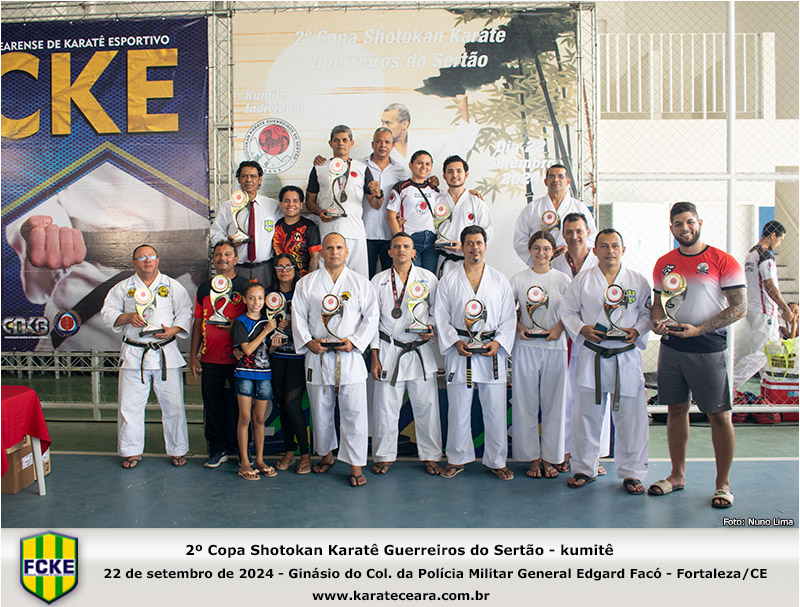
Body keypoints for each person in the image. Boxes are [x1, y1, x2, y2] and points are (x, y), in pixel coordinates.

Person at [6, 162, 209, 351]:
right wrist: (49, 231)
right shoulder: (75, 144)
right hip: (90, 311)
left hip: (188, 305)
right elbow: (37, 181)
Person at [649, 202, 746, 508]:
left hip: (707, 348)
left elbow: (739, 307)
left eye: (689, 222)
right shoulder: (664, 264)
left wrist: (700, 330)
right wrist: (657, 322)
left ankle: (723, 485)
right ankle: (677, 475)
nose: (685, 228)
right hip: (672, 347)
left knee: (718, 415)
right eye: (678, 224)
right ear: (671, 228)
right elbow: (657, 304)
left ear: (699, 223)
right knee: (676, 409)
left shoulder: (723, 261)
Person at [560, 229, 652, 494]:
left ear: (623, 250)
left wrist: (638, 330)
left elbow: (647, 313)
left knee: (631, 417)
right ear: (595, 250)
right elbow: (567, 310)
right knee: (586, 415)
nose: (610, 250)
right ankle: (584, 468)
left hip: (626, 356)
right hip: (594, 354)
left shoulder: (638, 280)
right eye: (604, 246)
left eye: (614, 246)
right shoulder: (583, 280)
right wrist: (582, 329)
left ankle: (632, 473)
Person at [291, 232, 379, 487]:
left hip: (349, 356)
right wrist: (308, 341)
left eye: (339, 247)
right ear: (322, 252)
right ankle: (326, 455)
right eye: (329, 248)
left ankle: (356, 464)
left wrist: (356, 342)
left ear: (346, 251)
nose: (334, 252)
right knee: (320, 411)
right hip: (317, 355)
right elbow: (298, 315)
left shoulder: (360, 283)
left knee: (355, 412)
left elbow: (372, 317)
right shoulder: (306, 283)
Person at [434, 225, 515, 480]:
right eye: (469, 243)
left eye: (478, 243)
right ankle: (457, 458)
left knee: (495, 410)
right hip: (461, 349)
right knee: (458, 408)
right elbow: (441, 316)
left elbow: (509, 317)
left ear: (485, 246)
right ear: (462, 247)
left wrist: (499, 343)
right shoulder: (449, 279)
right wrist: (454, 342)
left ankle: (497, 460)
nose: (474, 248)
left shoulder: (499, 279)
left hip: (491, 351)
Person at [100, 244, 192, 469]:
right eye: (142, 257)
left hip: (165, 353)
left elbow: (185, 310)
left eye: (151, 256)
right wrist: (127, 317)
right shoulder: (124, 287)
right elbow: (107, 312)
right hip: (134, 353)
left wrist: (174, 330)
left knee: (173, 405)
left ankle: (178, 449)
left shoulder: (171, 285)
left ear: (158, 260)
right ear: (134, 262)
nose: (147, 260)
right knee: (129, 406)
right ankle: (131, 451)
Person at [370, 232, 443, 475]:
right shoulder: (378, 280)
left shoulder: (428, 278)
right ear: (389, 252)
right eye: (397, 246)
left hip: (419, 349)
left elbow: (437, 311)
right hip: (389, 349)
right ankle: (383, 456)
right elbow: (372, 322)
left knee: (427, 406)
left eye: (406, 246)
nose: (401, 250)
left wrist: (430, 327)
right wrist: (374, 355)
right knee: (385, 407)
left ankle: (431, 455)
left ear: (414, 252)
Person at [511, 231, 571, 478]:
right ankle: (532, 458)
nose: (541, 253)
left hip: (555, 346)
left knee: (555, 405)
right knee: (524, 403)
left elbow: (572, 312)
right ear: (530, 250)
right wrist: (520, 327)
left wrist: (559, 328)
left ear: (553, 251)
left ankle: (550, 458)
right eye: (536, 248)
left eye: (546, 248)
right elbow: (507, 311)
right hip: (526, 347)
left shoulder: (563, 280)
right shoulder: (519, 279)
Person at [551, 212, 606, 474]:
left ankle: (594, 456)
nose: (574, 236)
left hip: (595, 338)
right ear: (563, 234)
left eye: (579, 231)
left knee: (595, 397)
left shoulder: (601, 262)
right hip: (565, 336)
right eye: (569, 232)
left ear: (588, 233)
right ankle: (563, 451)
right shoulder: (555, 263)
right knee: (566, 397)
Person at [189, 240, 249, 468]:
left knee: (242, 407)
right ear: (213, 259)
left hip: (239, 358)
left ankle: (244, 451)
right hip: (210, 357)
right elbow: (198, 322)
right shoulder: (204, 289)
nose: (222, 258)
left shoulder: (245, 286)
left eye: (227, 254)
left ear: (236, 259)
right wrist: (193, 355)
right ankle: (217, 450)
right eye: (218, 254)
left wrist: (236, 326)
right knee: (212, 406)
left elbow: (254, 319)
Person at [305, 125, 381, 278]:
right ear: (330, 143)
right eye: (336, 140)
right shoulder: (320, 168)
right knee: (327, 279)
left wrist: (378, 195)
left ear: (351, 143)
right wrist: (319, 211)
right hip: (328, 232)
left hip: (355, 233)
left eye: (345, 140)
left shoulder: (362, 169)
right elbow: (309, 202)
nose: (341, 143)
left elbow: (375, 205)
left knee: (358, 279)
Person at [733, 220, 797, 388]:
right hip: (763, 311)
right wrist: (784, 308)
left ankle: (767, 390)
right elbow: (769, 284)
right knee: (764, 353)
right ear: (773, 235)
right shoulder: (765, 255)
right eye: (780, 239)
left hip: (756, 309)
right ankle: (728, 385)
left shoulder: (751, 253)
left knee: (765, 355)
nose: (779, 244)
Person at [268, 254, 312, 475]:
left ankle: (305, 455)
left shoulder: (304, 292)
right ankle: (288, 452)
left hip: (298, 358)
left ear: (296, 269)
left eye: (288, 266)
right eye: (279, 267)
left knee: (292, 406)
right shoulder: (268, 295)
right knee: (282, 406)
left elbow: (314, 322)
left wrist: (291, 324)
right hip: (276, 357)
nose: (284, 270)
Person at [231, 282, 278, 481]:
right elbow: (247, 350)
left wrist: (274, 344)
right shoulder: (240, 322)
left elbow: (267, 352)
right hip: (244, 374)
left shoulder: (269, 321)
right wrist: (266, 331)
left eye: (259, 298)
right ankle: (244, 462)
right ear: (244, 300)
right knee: (245, 418)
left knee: (260, 419)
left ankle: (259, 460)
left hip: (264, 375)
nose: (256, 302)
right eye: (251, 298)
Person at [210, 161, 280, 288]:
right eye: (244, 176)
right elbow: (215, 233)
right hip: (237, 268)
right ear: (239, 179)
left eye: (253, 176)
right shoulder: (228, 206)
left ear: (259, 179)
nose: (248, 180)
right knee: (236, 298)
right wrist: (227, 243)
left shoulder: (273, 205)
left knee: (264, 299)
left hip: (265, 268)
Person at [512, 164, 598, 264]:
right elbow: (520, 239)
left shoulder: (579, 207)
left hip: (571, 262)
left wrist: (570, 249)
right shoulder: (532, 208)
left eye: (560, 176)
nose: (556, 180)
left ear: (568, 181)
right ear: (546, 182)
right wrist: (540, 253)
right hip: (542, 263)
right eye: (551, 176)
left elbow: (592, 236)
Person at [381, 98, 480, 172]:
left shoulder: (424, 142)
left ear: (404, 124)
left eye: (388, 123)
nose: (383, 127)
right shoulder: (379, 150)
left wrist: (464, 111)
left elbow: (459, 143)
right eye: (382, 122)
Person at [435, 156, 494, 276]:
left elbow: (487, 231)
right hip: (444, 260)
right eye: (450, 171)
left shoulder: (476, 202)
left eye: (459, 171)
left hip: (470, 260)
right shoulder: (437, 200)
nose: (454, 175)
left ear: (466, 174)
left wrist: (464, 246)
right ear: (444, 176)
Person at [362, 127, 409, 277]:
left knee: (389, 278)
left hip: (390, 233)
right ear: (372, 144)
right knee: (365, 276)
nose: (383, 145)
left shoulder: (400, 170)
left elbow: (407, 197)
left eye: (387, 142)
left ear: (392, 146)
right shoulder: (359, 166)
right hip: (365, 231)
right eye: (379, 141)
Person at [386, 150, 440, 273]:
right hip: (411, 238)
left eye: (427, 164)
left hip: (431, 240)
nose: (424, 167)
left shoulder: (434, 190)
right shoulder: (401, 187)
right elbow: (390, 216)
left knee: (430, 277)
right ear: (411, 165)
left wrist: (470, 193)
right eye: (419, 163)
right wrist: (402, 242)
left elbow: (450, 198)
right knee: (412, 277)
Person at [272, 185, 321, 276]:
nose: (291, 204)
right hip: (280, 277)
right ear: (281, 204)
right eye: (286, 201)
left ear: (301, 205)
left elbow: (315, 257)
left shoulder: (309, 227)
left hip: (303, 278)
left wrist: (310, 280)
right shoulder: (276, 226)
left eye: (295, 201)